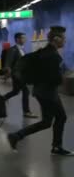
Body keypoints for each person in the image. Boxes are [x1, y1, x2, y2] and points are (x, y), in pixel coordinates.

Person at [7, 26, 73, 156]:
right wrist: (61, 77)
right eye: (63, 39)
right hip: (47, 92)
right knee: (60, 117)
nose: (65, 41)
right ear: (56, 39)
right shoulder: (52, 56)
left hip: (42, 91)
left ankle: (17, 136)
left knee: (47, 122)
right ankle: (56, 146)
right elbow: (54, 78)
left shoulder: (43, 52)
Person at [3, 33, 38, 118]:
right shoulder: (13, 50)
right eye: (23, 38)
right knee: (26, 91)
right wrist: (8, 72)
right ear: (17, 39)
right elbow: (8, 62)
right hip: (17, 75)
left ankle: (1, 99)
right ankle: (26, 111)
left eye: (25, 38)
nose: (25, 40)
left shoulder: (22, 49)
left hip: (22, 75)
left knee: (15, 91)